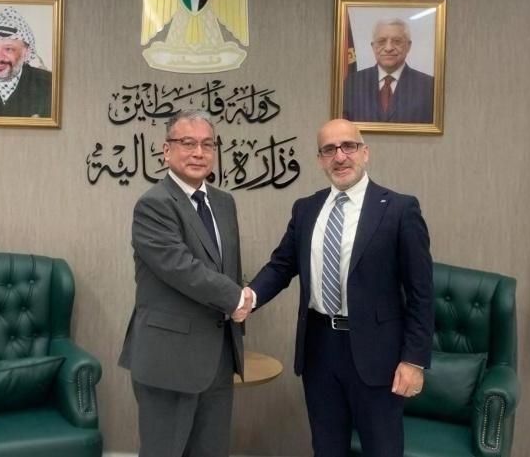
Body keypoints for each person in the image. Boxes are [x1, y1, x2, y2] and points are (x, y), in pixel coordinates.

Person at [244, 118, 434, 456]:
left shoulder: (400, 209)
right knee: (327, 447)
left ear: (365, 152)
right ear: (320, 159)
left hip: (378, 354)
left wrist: (414, 360)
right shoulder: (306, 209)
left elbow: (421, 292)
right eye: (329, 149)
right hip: (319, 349)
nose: (340, 156)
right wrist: (250, 296)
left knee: (383, 449)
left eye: (348, 146)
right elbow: (281, 265)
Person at [119, 110, 252, 457]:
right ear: (166, 150)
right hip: (169, 358)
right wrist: (235, 297)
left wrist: (243, 294)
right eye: (188, 143)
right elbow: (180, 267)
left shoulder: (224, 202)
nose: (199, 153)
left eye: (207, 145)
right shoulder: (154, 204)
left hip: (218, 356)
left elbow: (226, 267)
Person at [343, 18, 434, 123]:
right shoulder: (352, 83)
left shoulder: (429, 86)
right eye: (381, 41)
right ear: (373, 47)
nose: (388, 48)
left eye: (397, 41)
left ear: (408, 46)